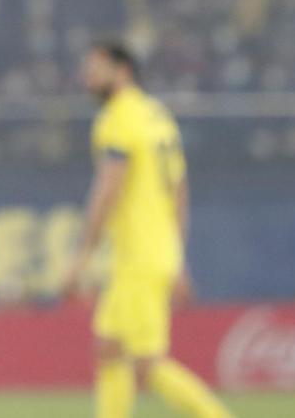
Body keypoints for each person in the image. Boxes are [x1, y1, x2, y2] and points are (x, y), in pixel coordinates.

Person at [63, 42, 231, 418]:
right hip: (153, 254)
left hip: (137, 259)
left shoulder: (118, 118)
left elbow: (108, 190)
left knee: (146, 364)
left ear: (122, 70)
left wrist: (82, 256)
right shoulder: (157, 116)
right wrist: (177, 256)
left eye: (95, 68)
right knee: (109, 349)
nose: (87, 76)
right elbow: (179, 190)